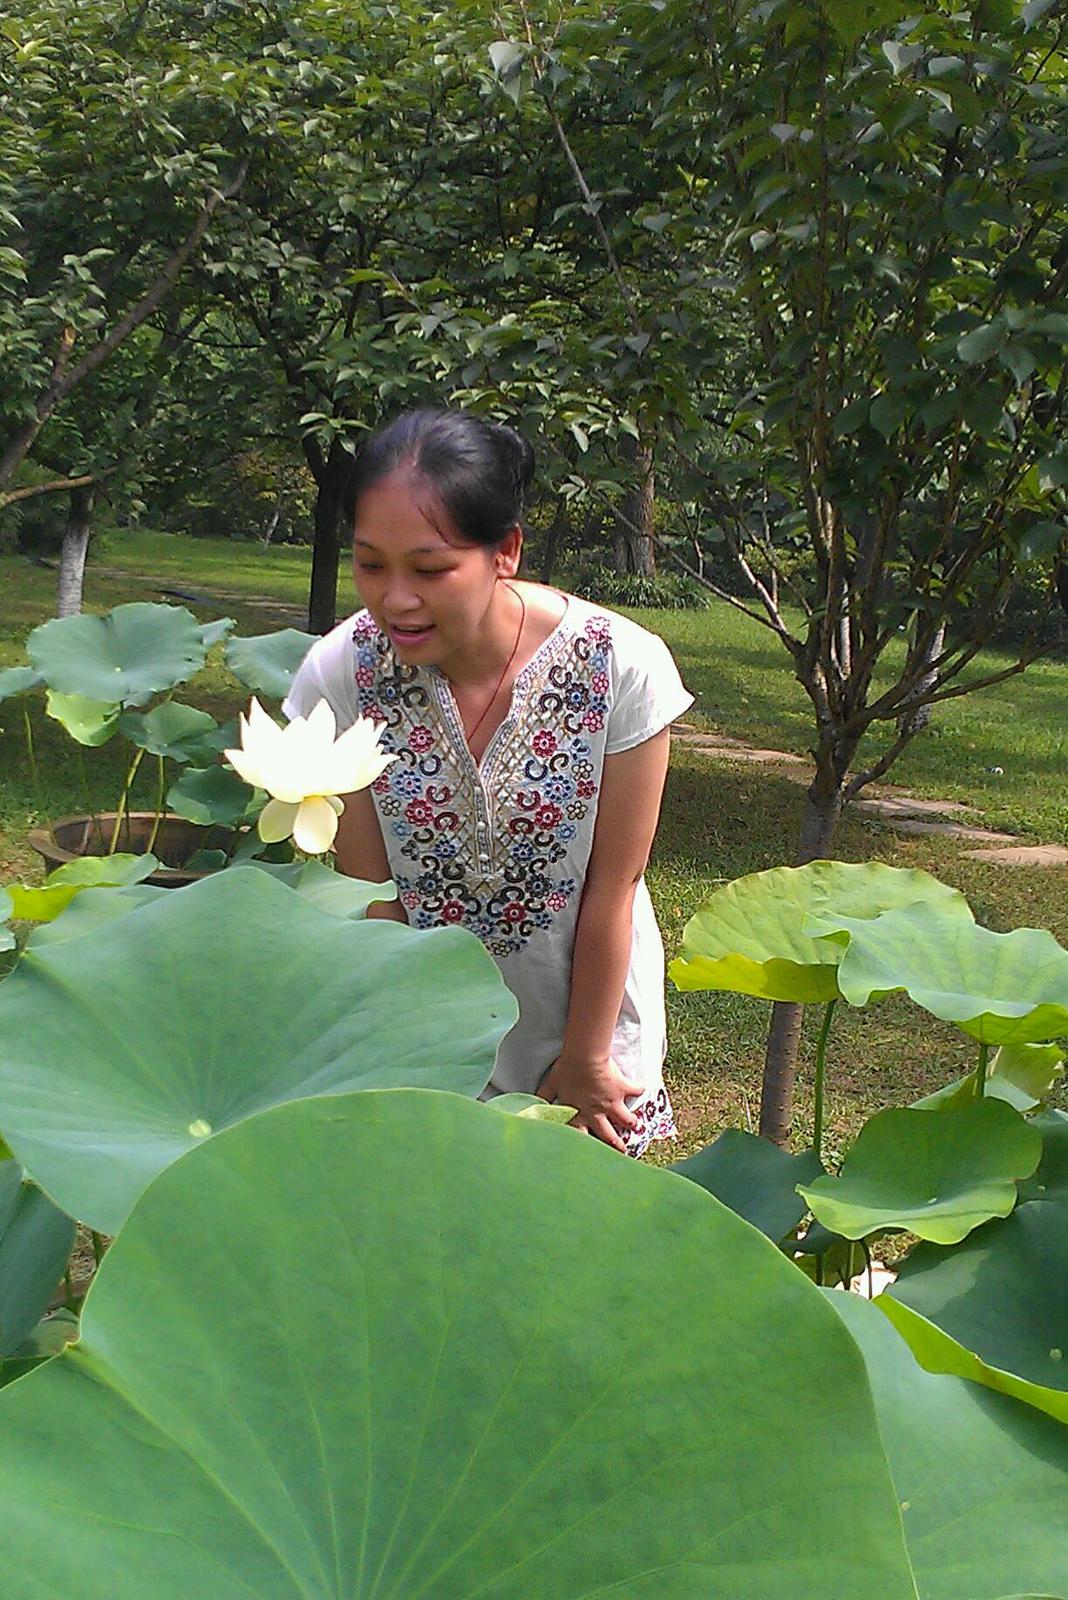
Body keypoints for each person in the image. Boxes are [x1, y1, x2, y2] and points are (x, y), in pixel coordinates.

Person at [283, 409, 693, 1156]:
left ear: (505, 551)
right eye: (371, 564)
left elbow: (615, 887)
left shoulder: (621, 667)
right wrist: (413, 1055)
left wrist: (587, 1059)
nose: (395, 599)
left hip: (587, 1021)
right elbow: (371, 896)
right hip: (422, 1025)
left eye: (430, 569)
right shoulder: (341, 675)